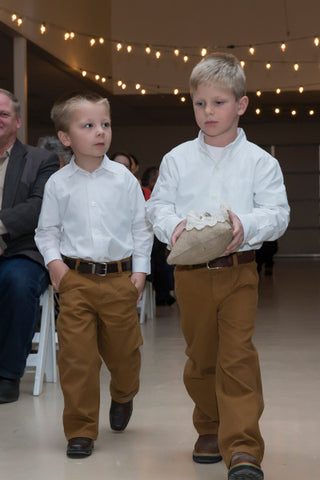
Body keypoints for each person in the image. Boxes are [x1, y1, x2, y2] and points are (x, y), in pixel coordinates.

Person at [146, 53, 290, 480]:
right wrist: (172, 227)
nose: (208, 112)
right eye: (200, 103)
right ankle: (209, 426)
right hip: (189, 273)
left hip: (239, 270)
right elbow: (158, 207)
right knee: (201, 356)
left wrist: (247, 225)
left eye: (219, 103)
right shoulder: (176, 160)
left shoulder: (261, 163)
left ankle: (243, 445)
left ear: (241, 105)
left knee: (237, 356)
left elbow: (278, 213)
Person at [35, 92, 153, 459]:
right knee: (77, 360)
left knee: (124, 355)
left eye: (105, 124)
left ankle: (124, 392)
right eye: (88, 126)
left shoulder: (124, 179)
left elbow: (141, 228)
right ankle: (81, 430)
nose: (100, 132)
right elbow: (46, 231)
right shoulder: (58, 183)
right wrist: (56, 266)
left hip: (119, 280)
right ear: (66, 137)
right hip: (76, 282)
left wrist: (141, 271)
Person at [0, 89, 59, 403]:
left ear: (17, 121)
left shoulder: (41, 159)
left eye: (3, 113)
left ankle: (8, 373)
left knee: (17, 283)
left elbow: (38, 206)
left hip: (22, 249)